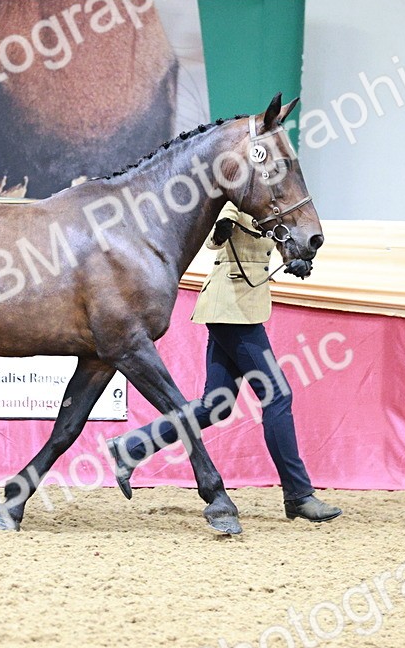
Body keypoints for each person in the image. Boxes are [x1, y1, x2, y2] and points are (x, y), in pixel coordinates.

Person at [105, 203, 342, 523]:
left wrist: (298, 261)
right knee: (278, 395)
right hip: (231, 306)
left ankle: (133, 446)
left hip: (237, 308)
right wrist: (221, 231)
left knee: (215, 404)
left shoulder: (272, 205)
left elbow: (284, 238)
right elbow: (216, 237)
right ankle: (298, 495)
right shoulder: (239, 200)